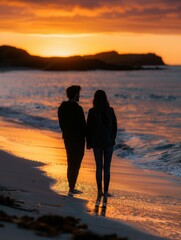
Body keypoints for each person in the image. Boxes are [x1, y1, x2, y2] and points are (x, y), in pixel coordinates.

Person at [87, 90, 117, 206]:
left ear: (95, 99)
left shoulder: (92, 111)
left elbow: (88, 129)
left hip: (96, 143)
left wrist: (89, 143)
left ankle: (99, 191)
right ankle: (105, 191)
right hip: (109, 142)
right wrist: (112, 139)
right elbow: (115, 127)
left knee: (99, 167)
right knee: (107, 168)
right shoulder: (110, 111)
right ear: (106, 98)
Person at [58, 85, 86, 196]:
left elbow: (62, 123)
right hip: (78, 140)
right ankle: (72, 187)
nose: (79, 96)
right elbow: (83, 126)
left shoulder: (62, 107)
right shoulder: (78, 108)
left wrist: (66, 133)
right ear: (75, 94)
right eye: (78, 93)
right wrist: (90, 140)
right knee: (76, 163)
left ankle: (71, 186)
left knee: (70, 162)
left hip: (68, 138)